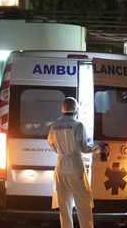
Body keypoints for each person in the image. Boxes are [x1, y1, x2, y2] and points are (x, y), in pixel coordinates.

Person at [47, 97, 101, 228]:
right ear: (76, 109)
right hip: (75, 167)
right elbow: (83, 147)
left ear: (62, 108)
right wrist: (97, 148)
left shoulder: (54, 125)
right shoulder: (78, 125)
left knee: (64, 206)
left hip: (60, 168)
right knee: (83, 204)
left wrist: (62, 152)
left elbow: (52, 145)